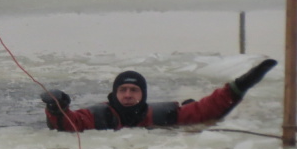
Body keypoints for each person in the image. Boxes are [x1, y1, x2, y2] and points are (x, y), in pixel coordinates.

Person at [42, 59, 278, 131]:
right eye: (122, 90)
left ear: (143, 95)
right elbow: (67, 123)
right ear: (114, 93)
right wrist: (56, 108)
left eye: (134, 90)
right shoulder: (98, 115)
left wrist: (239, 86)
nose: (127, 94)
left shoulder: (162, 113)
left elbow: (206, 110)